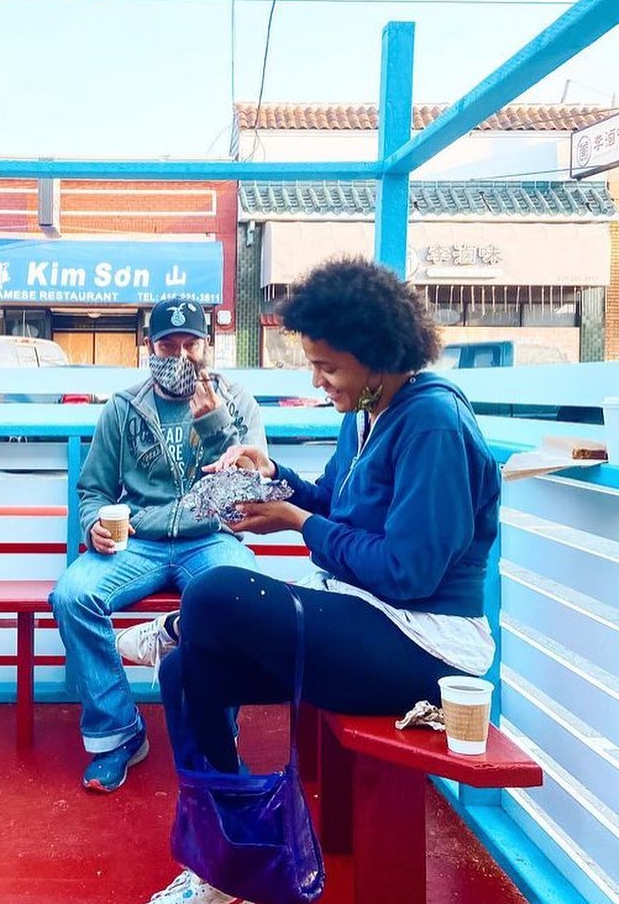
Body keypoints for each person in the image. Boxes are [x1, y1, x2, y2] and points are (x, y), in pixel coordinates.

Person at [136, 257, 501, 904]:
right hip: (364, 614)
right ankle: (230, 860)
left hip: (427, 645)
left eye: (327, 367)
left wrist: (297, 521)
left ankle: (176, 623)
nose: (317, 380)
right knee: (185, 673)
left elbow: (408, 572)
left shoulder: (432, 423)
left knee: (216, 591)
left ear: (377, 354)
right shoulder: (365, 412)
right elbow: (333, 500)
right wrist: (273, 477)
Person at [50, 297, 266, 793]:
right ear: (149, 347)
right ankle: (118, 733)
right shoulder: (124, 407)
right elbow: (94, 490)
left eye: (192, 344)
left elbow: (249, 492)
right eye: (169, 345)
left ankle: (217, 739)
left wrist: (215, 426)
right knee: (72, 596)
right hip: (139, 542)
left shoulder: (238, 403)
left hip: (210, 537)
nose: (181, 355)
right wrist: (93, 525)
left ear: (208, 346)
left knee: (241, 599)